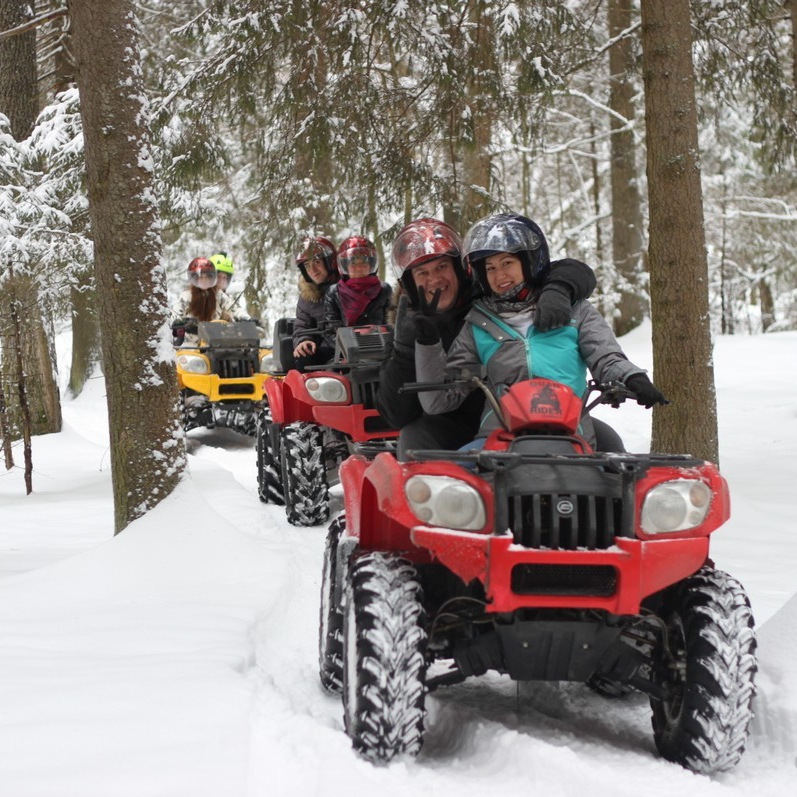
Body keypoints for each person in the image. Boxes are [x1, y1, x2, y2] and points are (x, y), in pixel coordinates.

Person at [413, 213, 666, 449]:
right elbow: (439, 400)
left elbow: (606, 357)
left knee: (622, 486)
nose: (500, 275)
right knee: (451, 485)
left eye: (507, 263)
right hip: (498, 443)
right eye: (490, 268)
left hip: (572, 438)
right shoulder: (477, 324)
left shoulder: (575, 311)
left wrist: (631, 377)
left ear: (529, 261)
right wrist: (427, 343)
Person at [376, 217, 600, 458]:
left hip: (530, 411)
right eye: (422, 273)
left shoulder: (490, 292)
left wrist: (559, 288)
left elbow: (569, 270)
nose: (434, 280)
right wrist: (406, 349)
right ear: (410, 283)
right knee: (414, 439)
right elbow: (396, 415)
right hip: (455, 423)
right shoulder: (407, 326)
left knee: (606, 439)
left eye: (442, 267)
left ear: (460, 269)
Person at [321, 236, 392, 347]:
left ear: (371, 264)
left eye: (364, 263)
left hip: (379, 349)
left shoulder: (384, 290)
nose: (359, 268)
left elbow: (392, 325)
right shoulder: (334, 292)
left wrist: (377, 331)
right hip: (344, 353)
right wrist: (347, 347)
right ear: (345, 266)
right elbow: (330, 332)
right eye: (353, 263)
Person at [171, 257, 250, 345]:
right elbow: (175, 314)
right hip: (191, 346)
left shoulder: (218, 295)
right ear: (194, 278)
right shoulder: (186, 296)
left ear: (212, 278)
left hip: (216, 344)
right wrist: (182, 322)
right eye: (201, 277)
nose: (204, 280)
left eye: (207, 277)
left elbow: (234, 308)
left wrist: (246, 318)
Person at [291, 235, 339, 372]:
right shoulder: (307, 297)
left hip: (356, 345)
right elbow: (302, 327)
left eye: (316, 261)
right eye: (306, 265)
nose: (312, 269)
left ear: (330, 261)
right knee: (303, 359)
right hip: (326, 349)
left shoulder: (347, 286)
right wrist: (303, 341)